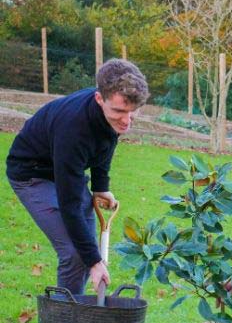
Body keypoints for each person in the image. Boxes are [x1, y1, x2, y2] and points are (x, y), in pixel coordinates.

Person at [6, 59, 149, 295]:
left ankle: (78, 314)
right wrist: (94, 262)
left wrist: (101, 186)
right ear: (99, 98)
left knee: (86, 249)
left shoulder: (113, 114)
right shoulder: (74, 128)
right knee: (75, 254)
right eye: (119, 112)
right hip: (31, 173)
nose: (126, 121)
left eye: (132, 113)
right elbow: (69, 204)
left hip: (64, 168)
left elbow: (106, 143)